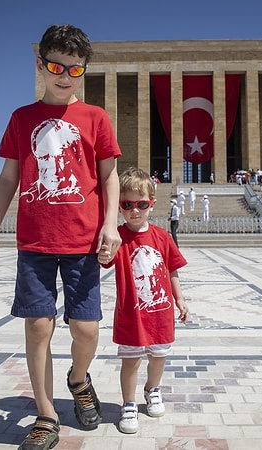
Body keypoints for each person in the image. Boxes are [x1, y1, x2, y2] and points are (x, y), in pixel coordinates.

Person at [0, 24, 122, 449]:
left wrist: (110, 224)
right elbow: (7, 181)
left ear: (84, 71)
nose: (64, 75)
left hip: (83, 242)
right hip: (35, 242)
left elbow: (109, 179)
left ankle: (78, 379)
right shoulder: (22, 118)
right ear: (41, 64)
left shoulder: (96, 118)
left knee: (87, 329)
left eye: (75, 70)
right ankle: (45, 413)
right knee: (38, 326)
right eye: (56, 66)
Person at [97, 167, 189, 435]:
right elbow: (106, 259)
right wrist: (103, 255)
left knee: (158, 359)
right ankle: (128, 404)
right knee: (131, 362)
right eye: (126, 204)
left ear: (152, 203)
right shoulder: (118, 236)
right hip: (131, 315)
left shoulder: (162, 236)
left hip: (160, 314)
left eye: (141, 204)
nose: (134, 210)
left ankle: (152, 389)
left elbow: (172, 270)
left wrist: (180, 299)